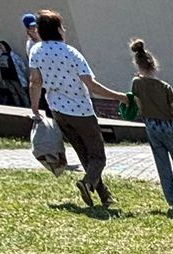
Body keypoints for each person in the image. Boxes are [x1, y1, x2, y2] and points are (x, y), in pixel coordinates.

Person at [28, 10, 126, 208]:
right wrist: (120, 97)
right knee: (98, 155)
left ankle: (104, 195)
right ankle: (87, 183)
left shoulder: (36, 51)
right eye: (62, 26)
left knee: (83, 153)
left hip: (57, 110)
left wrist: (35, 109)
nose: (64, 30)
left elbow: (35, 82)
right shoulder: (71, 53)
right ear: (57, 30)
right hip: (81, 111)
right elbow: (92, 85)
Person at [129, 38, 173, 211]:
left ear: (137, 64)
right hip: (168, 126)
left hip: (151, 126)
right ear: (154, 65)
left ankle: (172, 202)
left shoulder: (136, 83)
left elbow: (139, 106)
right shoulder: (165, 86)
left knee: (162, 163)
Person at [0, 40, 29, 105]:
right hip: (6, 77)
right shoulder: (0, 55)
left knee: (21, 92)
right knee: (13, 93)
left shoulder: (13, 55)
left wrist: (21, 74)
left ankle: (27, 105)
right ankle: (18, 105)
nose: (0, 47)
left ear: (5, 46)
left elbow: (22, 65)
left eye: (1, 45)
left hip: (14, 77)